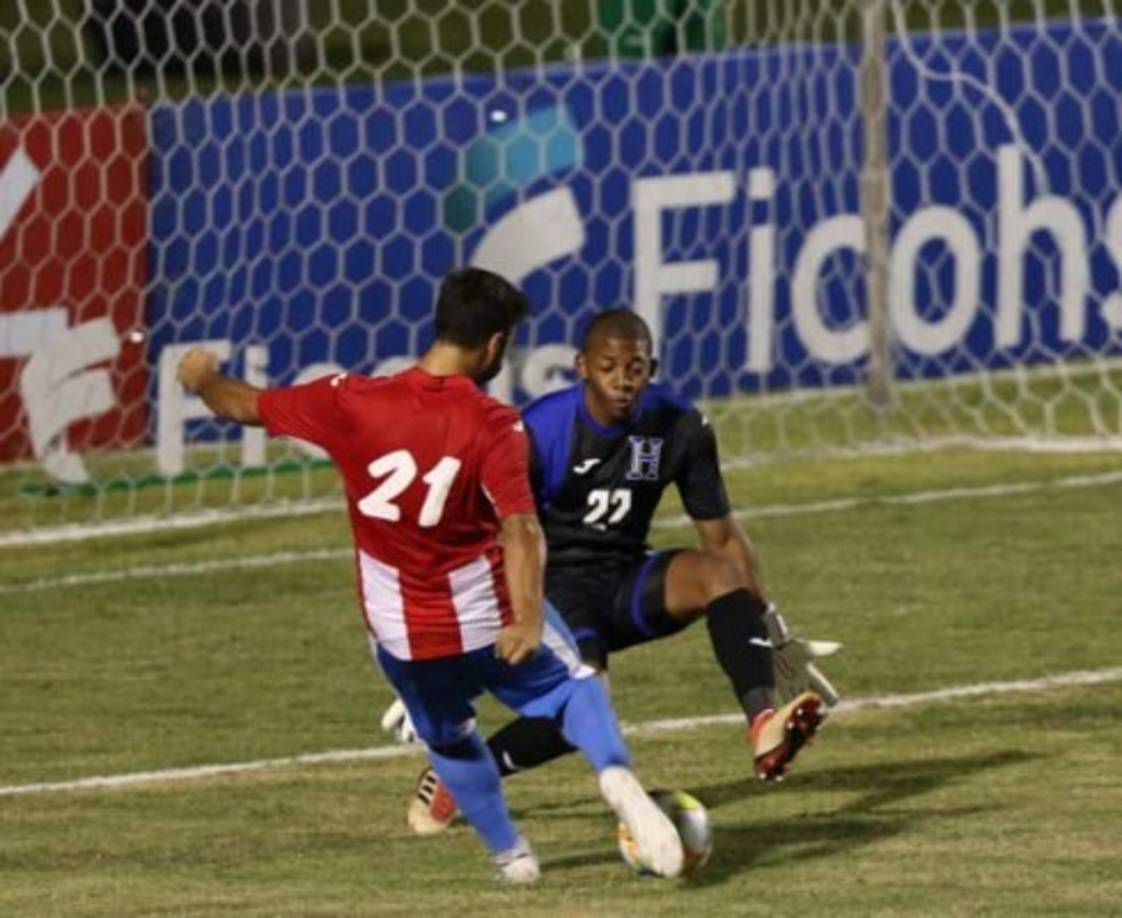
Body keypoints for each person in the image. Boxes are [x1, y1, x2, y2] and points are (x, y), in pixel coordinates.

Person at [175, 270, 685, 883]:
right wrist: (527, 616)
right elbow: (521, 528)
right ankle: (616, 776)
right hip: (485, 617)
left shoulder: (348, 400)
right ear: (494, 345)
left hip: (403, 637)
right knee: (576, 689)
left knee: (447, 737)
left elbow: (246, 405)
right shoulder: (493, 424)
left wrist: (203, 380)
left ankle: (512, 856)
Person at [393, 307, 840, 835]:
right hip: (554, 591)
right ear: (582, 366)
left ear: (652, 370)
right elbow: (481, 534)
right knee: (588, 709)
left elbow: (721, 538)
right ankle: (466, 772)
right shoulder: (539, 431)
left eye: (636, 368)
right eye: (608, 367)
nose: (623, 381)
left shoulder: (680, 426)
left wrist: (772, 632)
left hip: (627, 581)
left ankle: (764, 725)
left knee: (722, 573)